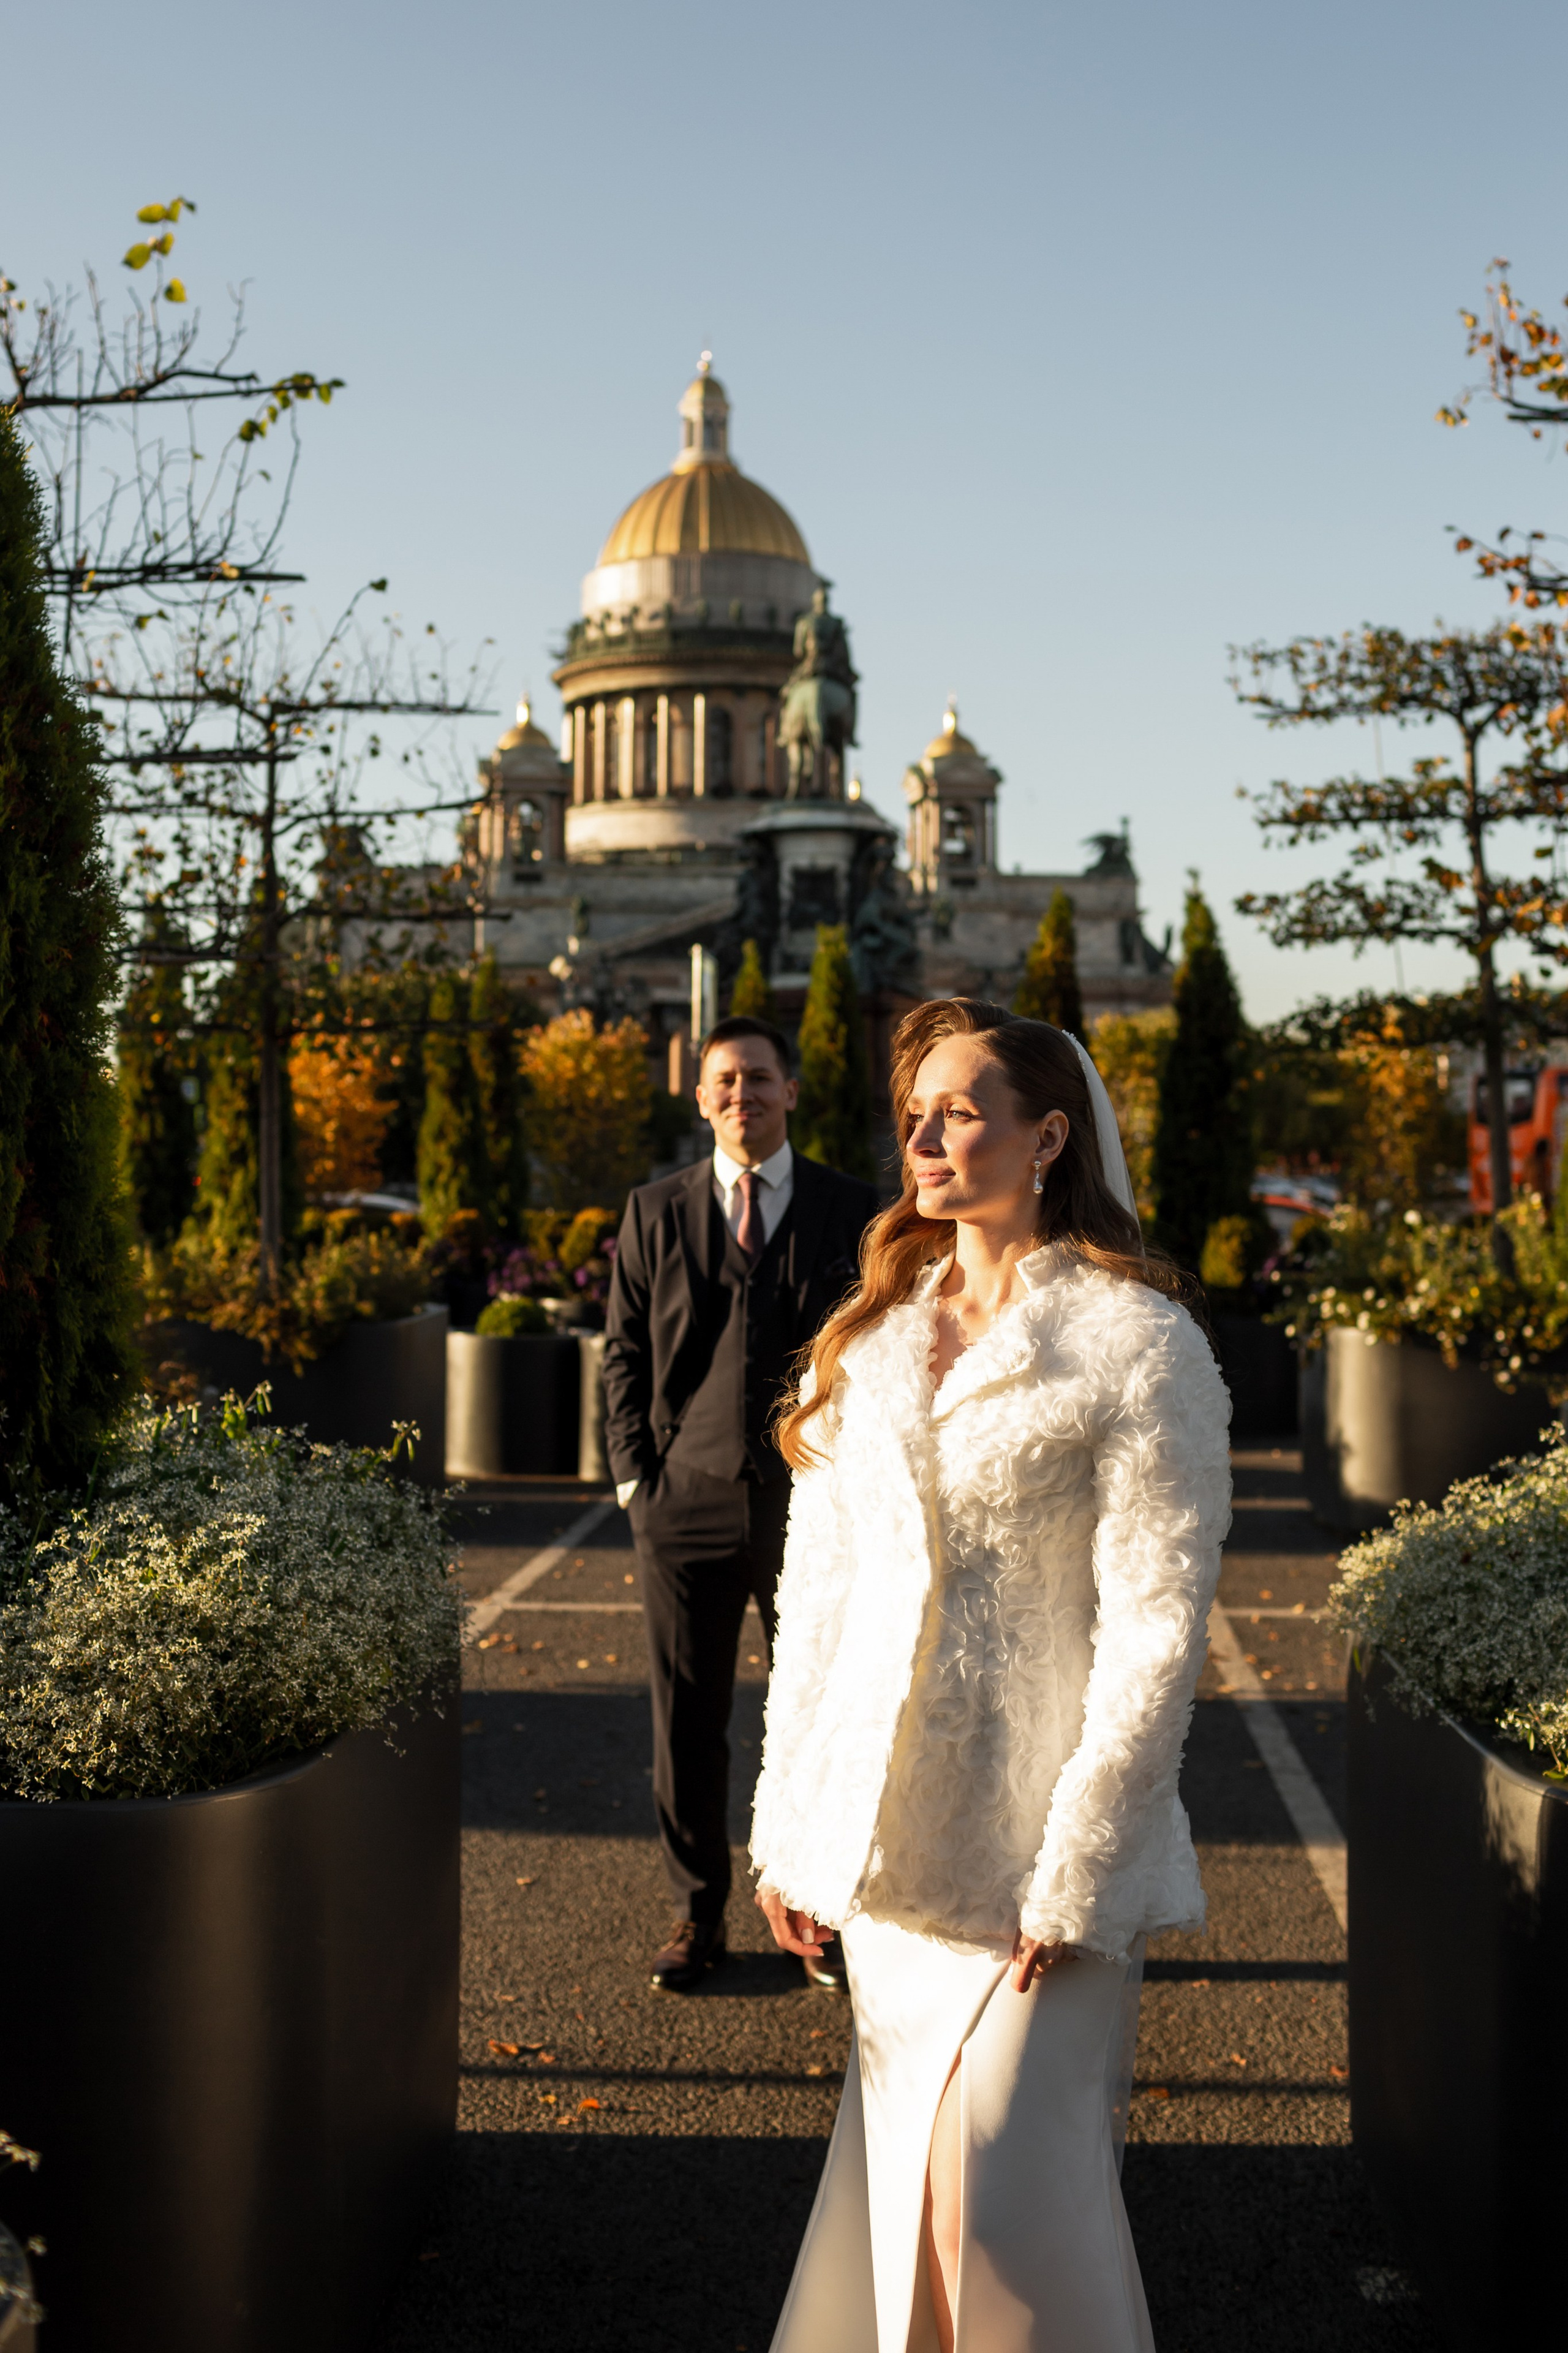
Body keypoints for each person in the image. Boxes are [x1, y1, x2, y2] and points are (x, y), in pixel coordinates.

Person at [750, 997, 1232, 2353]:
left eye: (961, 1108)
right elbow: (818, 1602)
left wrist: (1077, 1864)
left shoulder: (1138, 1345)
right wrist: (788, 1833)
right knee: (908, 2208)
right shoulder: (874, 1343)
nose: (923, 1133)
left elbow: (1156, 1626)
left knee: (1003, 2223)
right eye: (915, 1109)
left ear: (1047, 1136)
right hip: (890, 1860)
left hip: (1042, 1866)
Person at [603, 1014, 879, 1994]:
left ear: (791, 1092)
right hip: (683, 1501)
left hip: (812, 1502)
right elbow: (625, 1354)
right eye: (724, 1080)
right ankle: (695, 1912)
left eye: (759, 1079)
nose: (740, 1095)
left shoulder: (854, 1208)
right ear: (699, 1093)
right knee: (688, 1716)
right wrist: (639, 1476)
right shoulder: (655, 1209)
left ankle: (822, 1915)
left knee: (820, 1715)